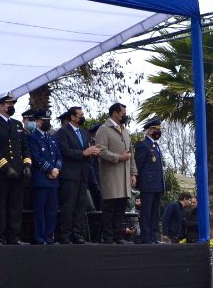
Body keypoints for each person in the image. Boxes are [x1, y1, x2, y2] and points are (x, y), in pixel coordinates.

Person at [0, 93, 31, 245]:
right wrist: (6, 168)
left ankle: (14, 237)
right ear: (1, 106)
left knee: (15, 207)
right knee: (0, 207)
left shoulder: (17, 125)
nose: (12, 106)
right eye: (9, 104)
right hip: (0, 173)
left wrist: (27, 165)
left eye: (13, 103)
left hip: (17, 173)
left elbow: (24, 147)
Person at [55, 107, 101, 244]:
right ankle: (65, 235)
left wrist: (93, 151)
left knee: (81, 206)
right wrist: (83, 153)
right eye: (80, 115)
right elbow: (65, 151)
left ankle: (77, 234)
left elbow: (87, 150)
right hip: (69, 175)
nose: (82, 117)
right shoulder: (63, 132)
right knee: (68, 206)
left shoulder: (84, 132)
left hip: (83, 175)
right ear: (73, 117)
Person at [94, 103, 136, 244]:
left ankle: (118, 236)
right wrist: (119, 157)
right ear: (115, 113)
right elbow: (101, 151)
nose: (125, 115)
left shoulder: (125, 130)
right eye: (122, 113)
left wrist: (133, 173)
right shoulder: (103, 130)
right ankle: (108, 238)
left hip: (124, 177)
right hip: (111, 177)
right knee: (110, 208)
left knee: (120, 208)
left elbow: (131, 155)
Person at [22, 107, 61, 245]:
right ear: (38, 122)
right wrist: (50, 169)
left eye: (49, 120)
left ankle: (49, 237)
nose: (48, 123)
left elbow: (58, 156)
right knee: (40, 211)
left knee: (51, 211)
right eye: (45, 120)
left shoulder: (52, 138)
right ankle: (40, 238)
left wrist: (56, 168)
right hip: (40, 180)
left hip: (53, 180)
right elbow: (35, 157)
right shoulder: (32, 137)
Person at [134, 118, 165, 244]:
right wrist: (138, 181)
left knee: (155, 213)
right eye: (156, 129)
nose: (158, 132)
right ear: (150, 130)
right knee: (146, 212)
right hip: (147, 184)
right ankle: (146, 238)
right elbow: (139, 165)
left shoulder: (155, 145)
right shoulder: (143, 144)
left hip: (157, 184)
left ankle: (154, 237)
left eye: (159, 130)